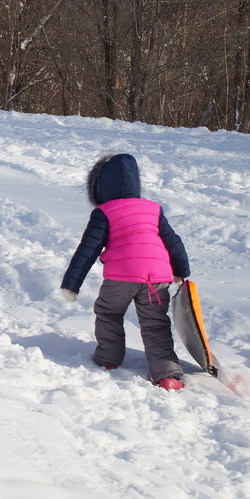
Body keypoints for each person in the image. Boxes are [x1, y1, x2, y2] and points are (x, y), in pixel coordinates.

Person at [60, 153, 190, 390]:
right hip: (158, 276)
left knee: (108, 312)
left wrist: (71, 284)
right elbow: (173, 242)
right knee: (155, 323)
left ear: (99, 188)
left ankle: (108, 359)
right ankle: (167, 374)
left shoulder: (104, 211)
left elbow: (87, 251)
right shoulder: (153, 208)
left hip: (122, 274)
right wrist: (182, 271)